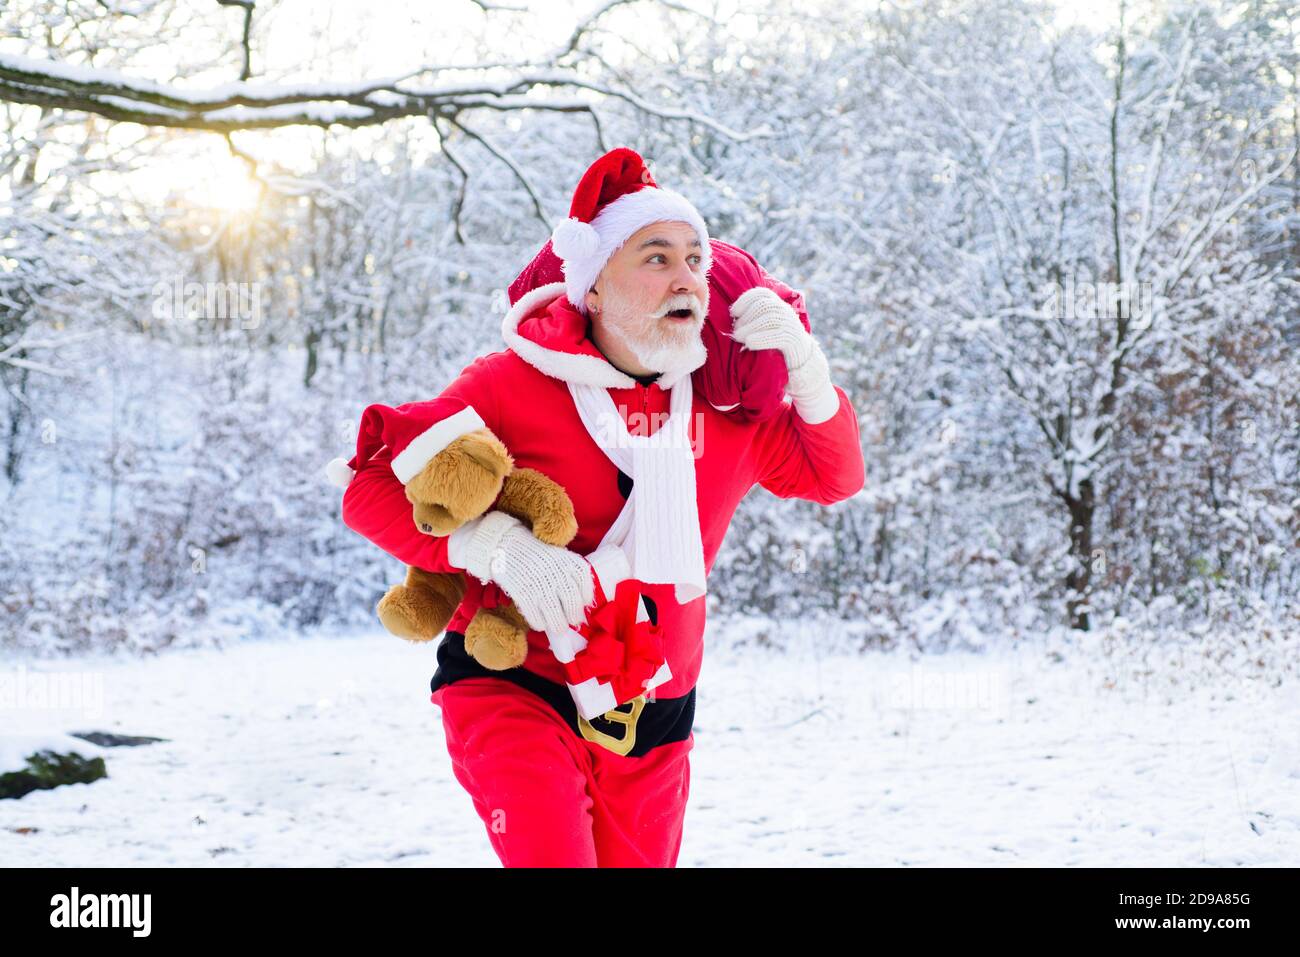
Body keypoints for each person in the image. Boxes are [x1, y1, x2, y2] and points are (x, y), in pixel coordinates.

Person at [339, 147, 865, 867]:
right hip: (517, 684)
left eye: (695, 259)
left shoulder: (727, 414)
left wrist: (806, 369)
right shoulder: (510, 384)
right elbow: (369, 485)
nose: (685, 277)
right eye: (656, 258)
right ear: (591, 289)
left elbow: (834, 476)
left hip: (656, 711)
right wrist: (495, 548)